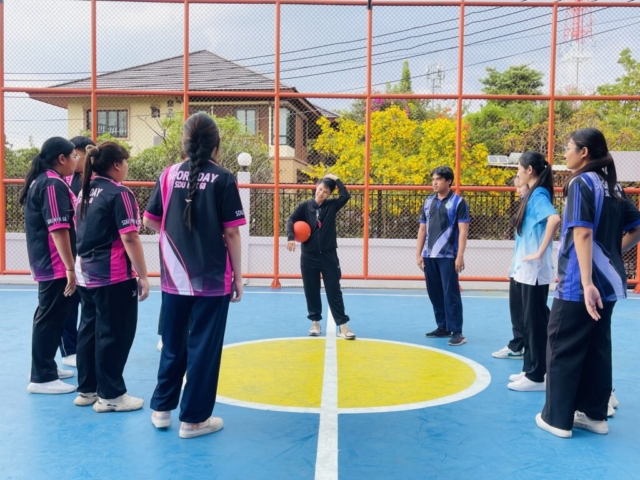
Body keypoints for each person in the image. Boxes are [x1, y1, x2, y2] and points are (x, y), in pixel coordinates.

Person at [145, 112, 245, 439]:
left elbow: (150, 220)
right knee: (204, 349)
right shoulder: (224, 178)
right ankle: (194, 420)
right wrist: (238, 277)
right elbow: (232, 233)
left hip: (173, 276)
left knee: (172, 343)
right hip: (212, 279)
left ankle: (161, 410)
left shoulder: (167, 174)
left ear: (184, 142)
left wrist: (177, 235)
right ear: (217, 143)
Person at [536, 128, 640, 438]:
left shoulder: (580, 183)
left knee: (561, 345)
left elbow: (582, 232)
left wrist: (586, 281)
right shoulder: (614, 187)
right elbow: (636, 227)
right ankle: (595, 416)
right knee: (597, 347)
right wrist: (610, 254)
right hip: (610, 283)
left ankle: (557, 420)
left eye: (568, 147)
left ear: (584, 152)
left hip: (578, 284)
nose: (564, 152)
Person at [74, 142, 149, 411]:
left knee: (89, 330)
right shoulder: (120, 193)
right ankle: (111, 395)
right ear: (117, 164)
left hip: (85, 273)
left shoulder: (84, 191)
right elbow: (130, 237)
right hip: (113, 275)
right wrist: (143, 275)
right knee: (115, 333)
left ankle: (87, 389)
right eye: (126, 161)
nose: (127, 166)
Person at [20, 137, 78, 394]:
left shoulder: (43, 180)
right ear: (61, 158)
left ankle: (46, 366)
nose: (76, 160)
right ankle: (42, 377)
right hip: (54, 263)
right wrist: (70, 267)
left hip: (49, 261)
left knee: (53, 315)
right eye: (74, 156)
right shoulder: (52, 184)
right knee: (49, 317)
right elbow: (58, 228)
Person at [502, 152, 561, 392]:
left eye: (519, 169)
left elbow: (554, 219)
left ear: (529, 170)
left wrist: (539, 252)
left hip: (534, 272)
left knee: (534, 323)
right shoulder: (533, 194)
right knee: (529, 322)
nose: (517, 174)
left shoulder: (538, 194)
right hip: (524, 270)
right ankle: (530, 369)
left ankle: (537, 376)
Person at [286, 174, 355, 340]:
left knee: (334, 290)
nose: (321, 193)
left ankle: (343, 325)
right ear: (316, 187)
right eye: (320, 189)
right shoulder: (305, 206)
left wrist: (336, 179)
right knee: (311, 289)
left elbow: (345, 196)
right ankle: (315, 322)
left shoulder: (332, 205)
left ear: (329, 194)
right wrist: (290, 237)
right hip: (309, 256)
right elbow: (291, 219)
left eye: (325, 191)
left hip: (328, 255)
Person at [416, 166, 469, 346]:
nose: (434, 183)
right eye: (433, 179)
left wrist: (460, 255)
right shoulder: (428, 202)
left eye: (438, 179)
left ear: (448, 181)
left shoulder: (458, 202)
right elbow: (422, 229)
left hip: (448, 256)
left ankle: (457, 332)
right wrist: (418, 254)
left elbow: (463, 231)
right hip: (429, 255)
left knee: (450, 293)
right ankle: (443, 327)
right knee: (434, 292)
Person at [59, 136, 96, 368]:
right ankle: (69, 350)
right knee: (69, 302)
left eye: (76, 156)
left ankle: (86, 347)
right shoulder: (65, 182)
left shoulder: (97, 180)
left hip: (91, 254)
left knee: (90, 305)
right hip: (71, 252)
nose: (73, 160)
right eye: (72, 156)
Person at [493, 175, 529, 360]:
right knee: (517, 307)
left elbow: (554, 221)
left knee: (531, 310)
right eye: (516, 187)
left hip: (529, 268)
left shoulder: (536, 204)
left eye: (520, 186)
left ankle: (527, 345)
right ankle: (519, 344)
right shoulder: (523, 206)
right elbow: (520, 242)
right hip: (519, 265)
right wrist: (513, 263)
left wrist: (537, 254)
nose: (518, 190)